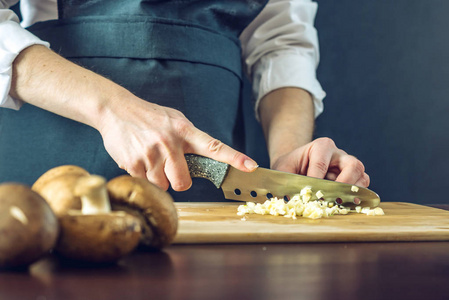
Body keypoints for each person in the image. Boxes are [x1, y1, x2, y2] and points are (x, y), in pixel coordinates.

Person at [0, 0, 369, 202]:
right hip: (52, 173)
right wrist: (112, 109)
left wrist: (290, 160)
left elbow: (281, 43)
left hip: (207, 193)